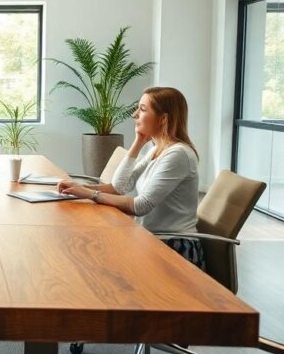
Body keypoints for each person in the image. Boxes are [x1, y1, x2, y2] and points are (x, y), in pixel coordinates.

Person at [57, 86, 204, 269]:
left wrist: (89, 194)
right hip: (150, 239)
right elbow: (119, 186)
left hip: (174, 247)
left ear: (163, 119)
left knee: (94, 260)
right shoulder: (155, 150)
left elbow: (140, 206)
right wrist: (138, 142)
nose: (134, 115)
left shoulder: (178, 155)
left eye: (142, 109)